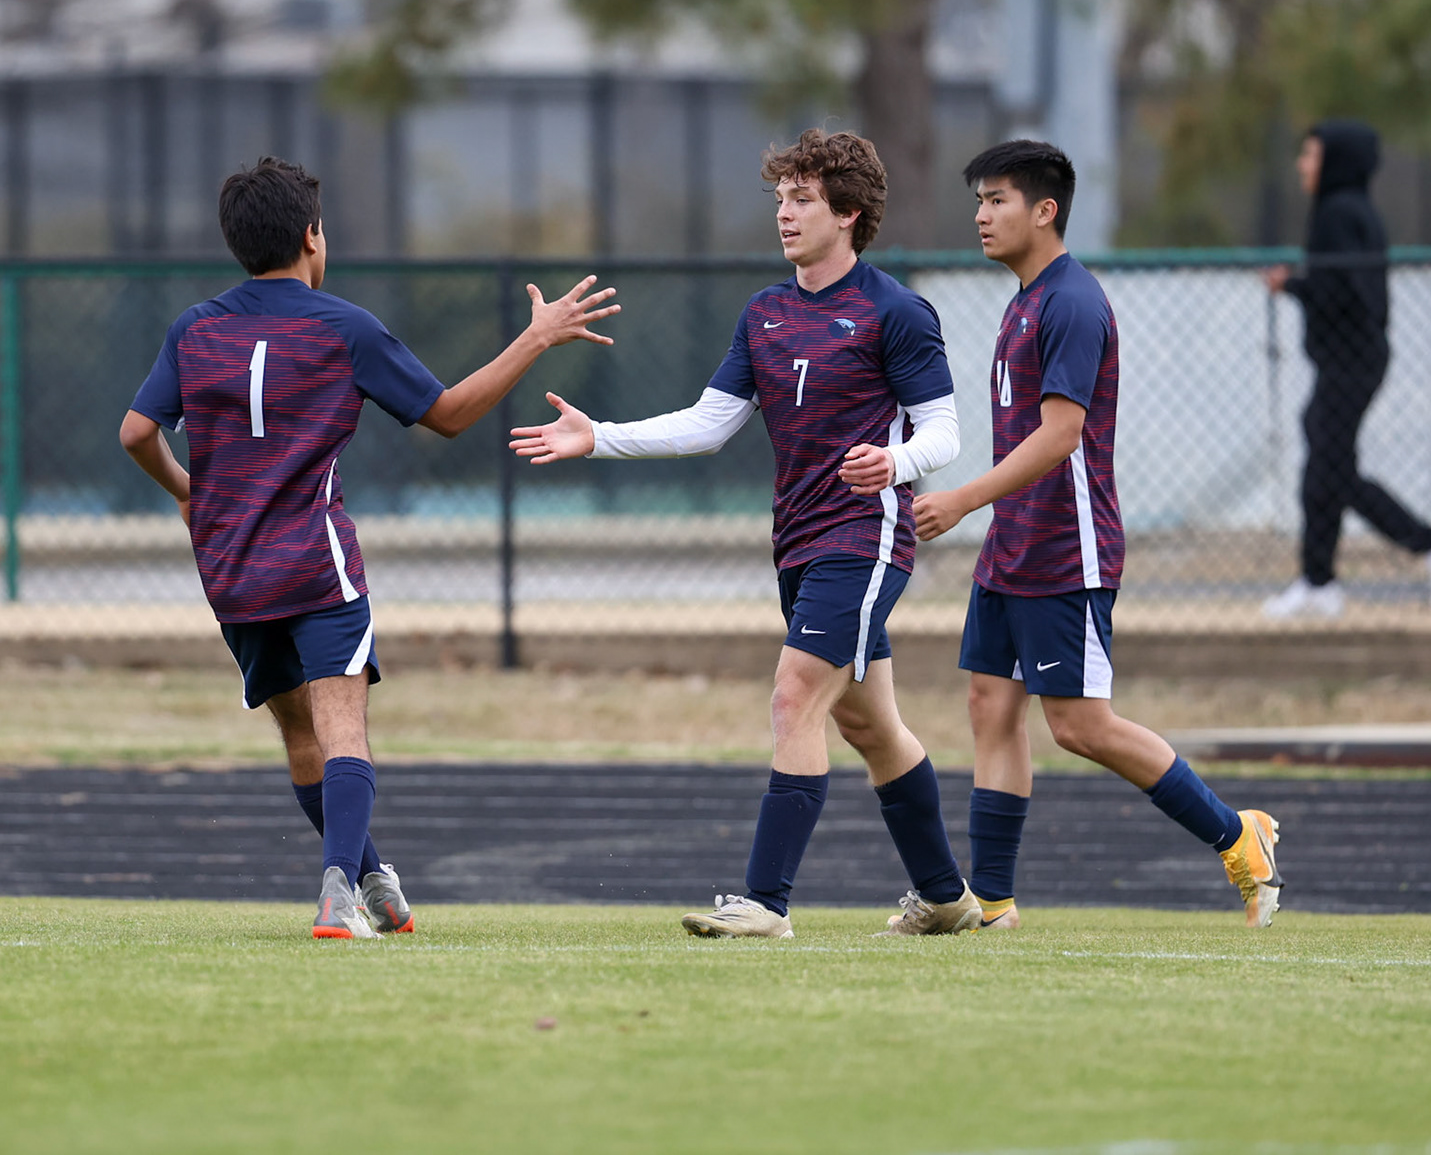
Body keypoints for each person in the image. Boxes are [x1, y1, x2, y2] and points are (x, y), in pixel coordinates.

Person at [121, 156, 617, 939]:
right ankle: (336, 895)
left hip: (231, 569)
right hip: (314, 563)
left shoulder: (196, 327)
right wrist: (535, 339)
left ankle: (371, 877)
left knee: (300, 736)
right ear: (313, 237)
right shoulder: (341, 326)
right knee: (344, 730)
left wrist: (187, 491)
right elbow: (448, 415)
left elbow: (136, 433)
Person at [511, 128, 980, 938]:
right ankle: (945, 897)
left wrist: (896, 462)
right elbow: (708, 424)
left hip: (863, 539)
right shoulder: (764, 313)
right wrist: (602, 436)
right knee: (870, 725)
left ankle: (766, 903)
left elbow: (946, 431)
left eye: (803, 200)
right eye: (781, 199)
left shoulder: (894, 311)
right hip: (797, 542)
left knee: (793, 694)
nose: (786, 214)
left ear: (850, 213)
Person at [914, 140, 1282, 930]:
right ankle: (997, 907)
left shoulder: (1071, 302)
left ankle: (1238, 835)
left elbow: (1060, 436)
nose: (981, 215)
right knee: (989, 705)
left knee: (1080, 726)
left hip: (1063, 548)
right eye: (979, 199)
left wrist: (963, 501)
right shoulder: (1023, 298)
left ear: (1045, 211)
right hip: (1011, 548)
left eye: (999, 199)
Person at [1259, 121, 1431, 618]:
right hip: (1351, 359)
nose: (1302, 165)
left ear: (1334, 161)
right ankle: (1318, 581)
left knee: (1333, 470)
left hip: (1350, 362)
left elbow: (1337, 292)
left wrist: (1292, 286)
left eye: (1310, 155)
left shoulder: (1335, 213)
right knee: (1323, 462)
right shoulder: (1353, 210)